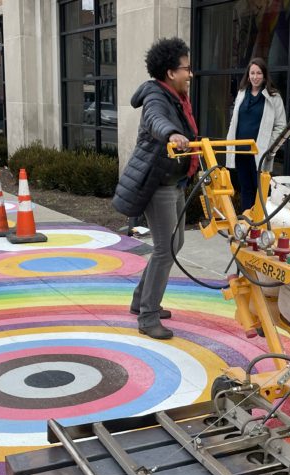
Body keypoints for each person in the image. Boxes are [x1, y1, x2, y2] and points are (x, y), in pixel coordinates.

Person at [112, 37, 199, 340]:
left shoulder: (176, 97)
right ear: (170, 72)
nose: (191, 74)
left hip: (173, 182)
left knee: (175, 245)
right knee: (165, 249)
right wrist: (172, 133)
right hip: (157, 183)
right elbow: (154, 120)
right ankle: (148, 316)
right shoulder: (156, 96)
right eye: (186, 69)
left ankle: (141, 301)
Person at [225, 57, 286, 211]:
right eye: (252, 73)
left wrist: (269, 147)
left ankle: (260, 224)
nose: (255, 76)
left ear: (264, 75)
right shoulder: (241, 93)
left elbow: (281, 127)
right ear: (248, 75)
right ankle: (247, 223)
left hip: (259, 153)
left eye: (259, 73)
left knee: (261, 191)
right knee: (246, 189)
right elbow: (234, 121)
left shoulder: (273, 97)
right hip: (240, 151)